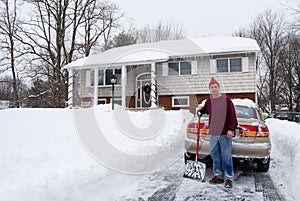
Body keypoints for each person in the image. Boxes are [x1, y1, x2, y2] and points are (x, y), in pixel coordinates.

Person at [198, 77, 237, 188]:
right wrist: (200, 109)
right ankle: (218, 175)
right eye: (212, 87)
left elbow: (232, 115)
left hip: (224, 133)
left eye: (216, 87)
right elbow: (205, 110)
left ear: (219, 88)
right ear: (209, 89)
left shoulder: (226, 100)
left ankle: (229, 178)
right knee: (215, 155)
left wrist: (231, 128)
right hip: (213, 133)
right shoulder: (209, 102)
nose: (214, 89)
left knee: (226, 156)